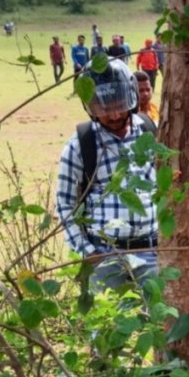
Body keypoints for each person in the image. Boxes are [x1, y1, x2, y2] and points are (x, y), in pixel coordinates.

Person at [56, 59, 159, 292]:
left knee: (159, 322)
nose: (113, 115)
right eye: (104, 109)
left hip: (154, 254)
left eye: (119, 105)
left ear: (130, 97)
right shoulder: (80, 146)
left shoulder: (151, 132)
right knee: (106, 326)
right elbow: (65, 204)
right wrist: (87, 252)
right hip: (104, 257)